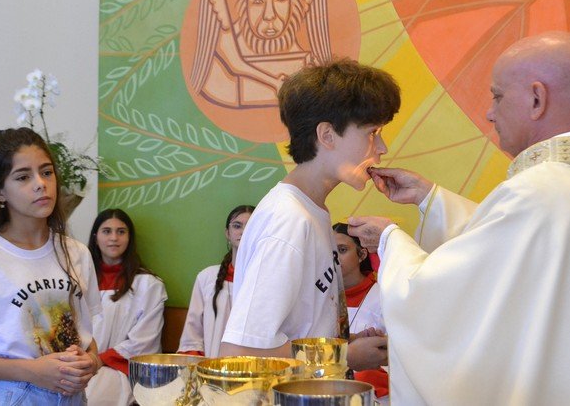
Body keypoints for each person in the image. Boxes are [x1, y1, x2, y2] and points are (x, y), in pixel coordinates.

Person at [348, 31, 570, 405]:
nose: (489, 112)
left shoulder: (538, 192)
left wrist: (390, 238)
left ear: (536, 99)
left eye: (498, 96)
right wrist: (430, 198)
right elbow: (508, 251)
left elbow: (438, 292)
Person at [220, 59, 400, 373]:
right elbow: (241, 351)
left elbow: (299, 329)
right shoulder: (289, 219)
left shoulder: (311, 212)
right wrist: (344, 356)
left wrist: (346, 343)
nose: (382, 147)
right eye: (373, 133)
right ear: (327, 135)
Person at [0, 127, 102, 405]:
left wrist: (91, 361)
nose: (40, 184)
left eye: (47, 172)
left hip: (73, 396)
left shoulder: (77, 253)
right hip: (13, 394)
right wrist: (32, 371)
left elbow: (87, 338)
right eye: (23, 177)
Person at [85, 208, 167, 405]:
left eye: (121, 231)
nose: (114, 238)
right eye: (107, 231)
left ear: (130, 238)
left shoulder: (148, 285)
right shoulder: (81, 282)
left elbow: (144, 341)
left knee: (89, 399)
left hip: (120, 369)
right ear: (96, 237)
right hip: (83, 364)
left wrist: (99, 360)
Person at [177, 204, 255, 357]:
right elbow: (193, 336)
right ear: (227, 233)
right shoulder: (207, 278)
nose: (243, 231)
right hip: (211, 366)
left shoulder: (266, 280)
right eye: (237, 226)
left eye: (250, 226)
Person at [333, 222, 389, 404]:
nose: (334, 258)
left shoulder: (385, 297)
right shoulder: (318, 298)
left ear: (362, 254)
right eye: (329, 251)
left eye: (342, 250)